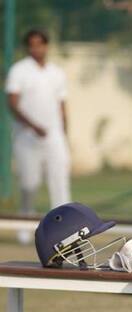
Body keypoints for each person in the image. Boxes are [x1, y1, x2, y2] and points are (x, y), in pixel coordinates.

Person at [5, 29, 71, 244]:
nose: (36, 49)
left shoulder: (56, 73)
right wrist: (33, 126)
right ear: (27, 47)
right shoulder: (19, 70)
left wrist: (64, 134)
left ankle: (65, 230)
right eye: (32, 44)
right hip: (27, 137)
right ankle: (25, 229)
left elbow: (62, 105)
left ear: (46, 46)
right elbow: (12, 104)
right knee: (29, 184)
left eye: (40, 44)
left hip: (54, 136)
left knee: (59, 181)